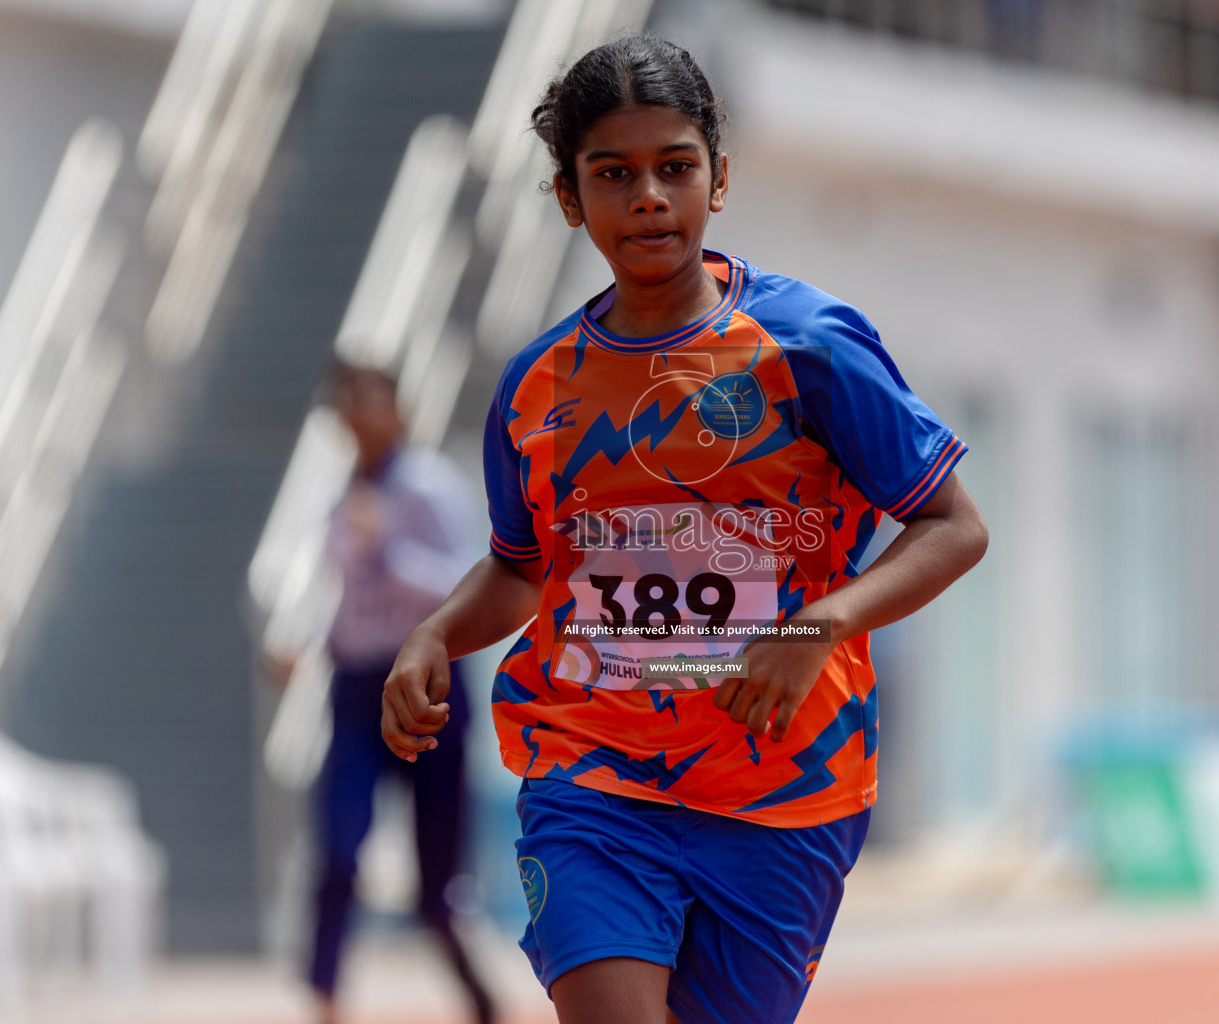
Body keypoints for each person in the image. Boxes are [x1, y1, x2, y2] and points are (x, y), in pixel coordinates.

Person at [381, 36, 988, 1024]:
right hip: (591, 770)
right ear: (570, 198)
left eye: (675, 167)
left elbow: (953, 526)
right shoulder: (535, 389)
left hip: (783, 783)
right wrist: (435, 633)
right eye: (613, 175)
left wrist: (819, 626)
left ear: (719, 176)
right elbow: (522, 568)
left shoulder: (808, 347)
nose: (649, 197)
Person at [308, 362, 495, 1024]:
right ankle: (325, 1001)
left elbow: (469, 583)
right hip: (358, 689)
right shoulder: (341, 498)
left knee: (435, 886)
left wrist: (388, 553)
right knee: (337, 849)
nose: (356, 414)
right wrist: (307, 647)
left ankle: (482, 1002)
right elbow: (346, 594)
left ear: (399, 410)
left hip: (428, 686)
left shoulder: (428, 486)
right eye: (345, 402)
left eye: (369, 400)